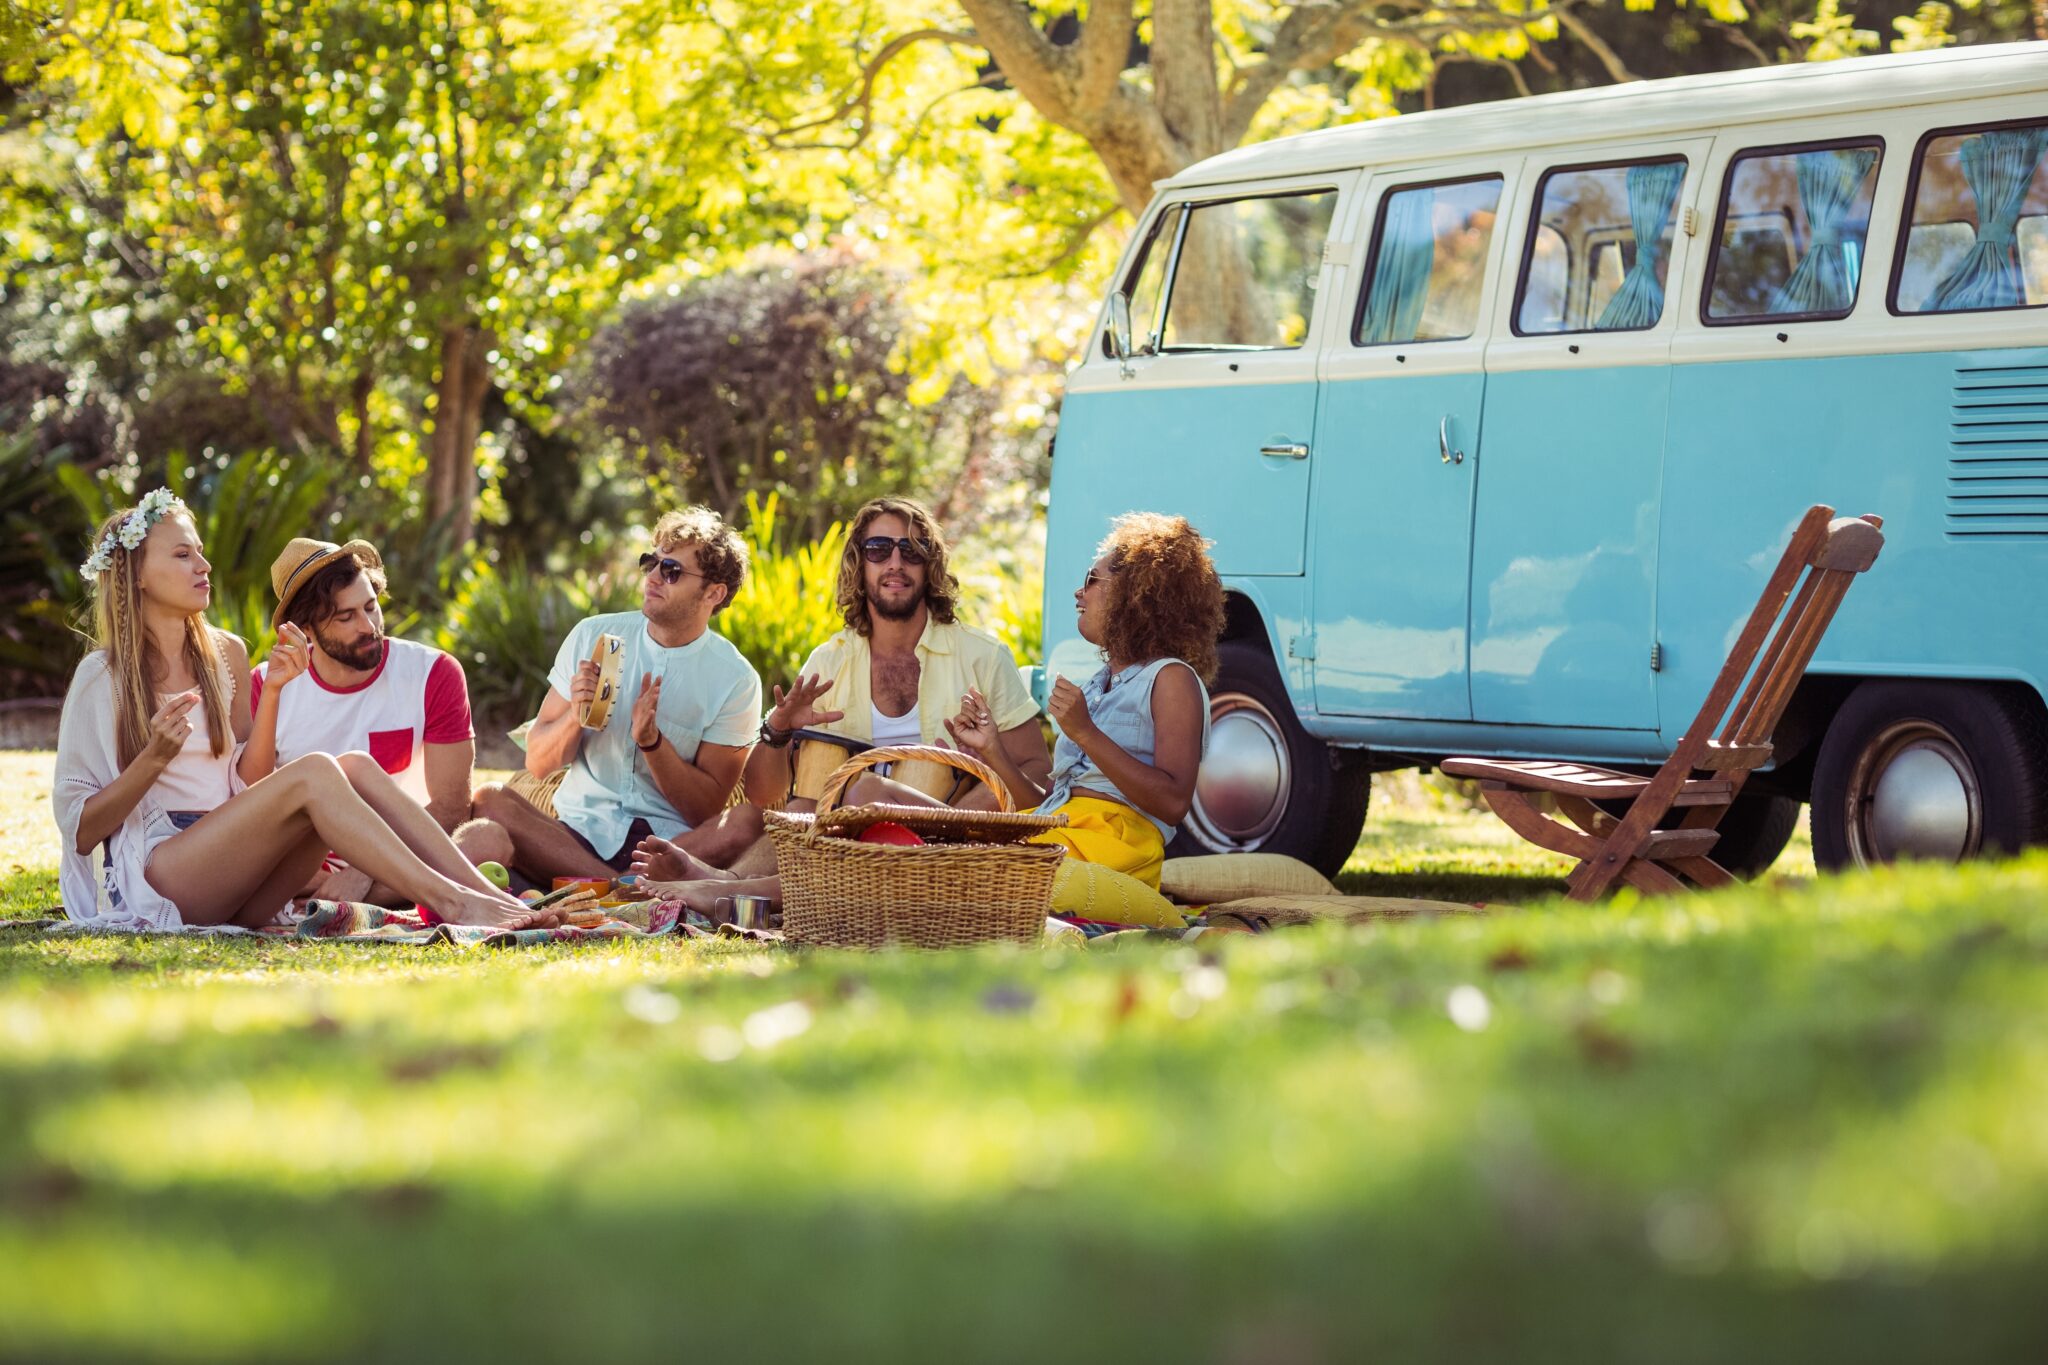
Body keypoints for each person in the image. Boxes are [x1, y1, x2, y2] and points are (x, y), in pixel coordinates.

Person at [51, 491, 540, 930]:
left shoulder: (228, 655)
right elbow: (81, 830)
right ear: (135, 576)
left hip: (239, 874)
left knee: (354, 768)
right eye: (182, 554)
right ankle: (452, 904)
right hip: (162, 876)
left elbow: (247, 781)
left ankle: (482, 893)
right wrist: (153, 759)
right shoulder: (104, 676)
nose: (203, 565)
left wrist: (277, 692)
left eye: (200, 550)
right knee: (317, 771)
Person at [627, 496, 1047, 915]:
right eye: (879, 550)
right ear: (860, 566)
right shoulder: (830, 660)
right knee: (812, 789)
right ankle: (733, 885)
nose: (895, 563)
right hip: (840, 841)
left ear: (930, 565)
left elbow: (1037, 772)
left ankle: (731, 889)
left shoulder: (982, 657)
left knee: (871, 789)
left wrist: (976, 779)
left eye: (912, 551)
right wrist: (779, 729)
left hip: (940, 847)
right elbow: (763, 794)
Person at [850, 511, 1225, 889]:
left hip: (1112, 849)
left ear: (1138, 596)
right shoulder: (1098, 685)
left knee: (944, 862)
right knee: (872, 795)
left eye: (1091, 580)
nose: (1080, 593)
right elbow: (1038, 804)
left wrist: (1086, 733)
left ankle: (834, 890)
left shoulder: (1171, 678)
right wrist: (993, 750)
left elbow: (1174, 803)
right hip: (1057, 830)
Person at [471, 506, 765, 882]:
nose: (653, 577)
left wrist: (653, 744)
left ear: (714, 592)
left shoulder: (735, 678)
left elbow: (704, 810)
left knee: (746, 822)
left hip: (671, 845)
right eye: (651, 563)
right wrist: (575, 717)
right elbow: (539, 763)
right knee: (489, 800)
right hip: (576, 835)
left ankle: (606, 885)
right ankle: (621, 889)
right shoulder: (591, 635)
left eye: (671, 571)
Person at [239, 536, 512, 902]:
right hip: (304, 866)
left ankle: (350, 895)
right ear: (305, 628)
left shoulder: (433, 672)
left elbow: (450, 807)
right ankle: (389, 893)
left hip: (411, 851)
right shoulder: (265, 685)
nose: (368, 626)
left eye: (371, 607)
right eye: (346, 616)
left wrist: (366, 868)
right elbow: (250, 805)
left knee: (487, 839)